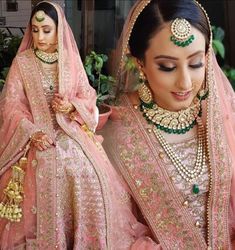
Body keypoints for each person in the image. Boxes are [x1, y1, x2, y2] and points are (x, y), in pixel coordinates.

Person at [0, 1, 160, 249]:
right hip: (36, 134)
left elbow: (86, 94)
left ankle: (86, 238)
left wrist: (71, 106)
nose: (40, 36)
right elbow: (11, 106)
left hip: (70, 130)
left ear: (59, 30)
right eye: (35, 29)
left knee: (85, 169)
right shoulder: (23, 63)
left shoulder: (69, 60)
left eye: (46, 30)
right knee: (51, 163)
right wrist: (32, 132)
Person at [102, 0, 235, 248]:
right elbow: (115, 228)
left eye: (196, 64)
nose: (185, 83)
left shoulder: (221, 116)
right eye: (167, 67)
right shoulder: (116, 133)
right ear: (140, 62)